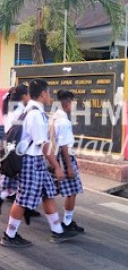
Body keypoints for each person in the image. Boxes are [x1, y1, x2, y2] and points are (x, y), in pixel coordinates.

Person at [0, 79, 80, 247]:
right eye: (48, 93)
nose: (49, 96)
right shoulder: (35, 114)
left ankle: (57, 231)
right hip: (31, 161)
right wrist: (57, 167)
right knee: (23, 199)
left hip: (35, 161)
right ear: (43, 94)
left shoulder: (30, 110)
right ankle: (9, 235)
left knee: (48, 193)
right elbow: (42, 144)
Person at [50, 90, 84, 232]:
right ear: (68, 104)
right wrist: (69, 167)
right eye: (74, 103)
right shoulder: (63, 121)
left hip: (56, 156)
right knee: (72, 191)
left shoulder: (54, 117)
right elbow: (64, 146)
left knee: (52, 190)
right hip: (65, 158)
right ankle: (67, 223)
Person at [0, 84, 30, 214]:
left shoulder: (13, 107)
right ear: (24, 96)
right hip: (15, 144)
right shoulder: (20, 110)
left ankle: (1, 191)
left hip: (9, 143)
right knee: (18, 175)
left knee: (14, 176)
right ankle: (1, 191)